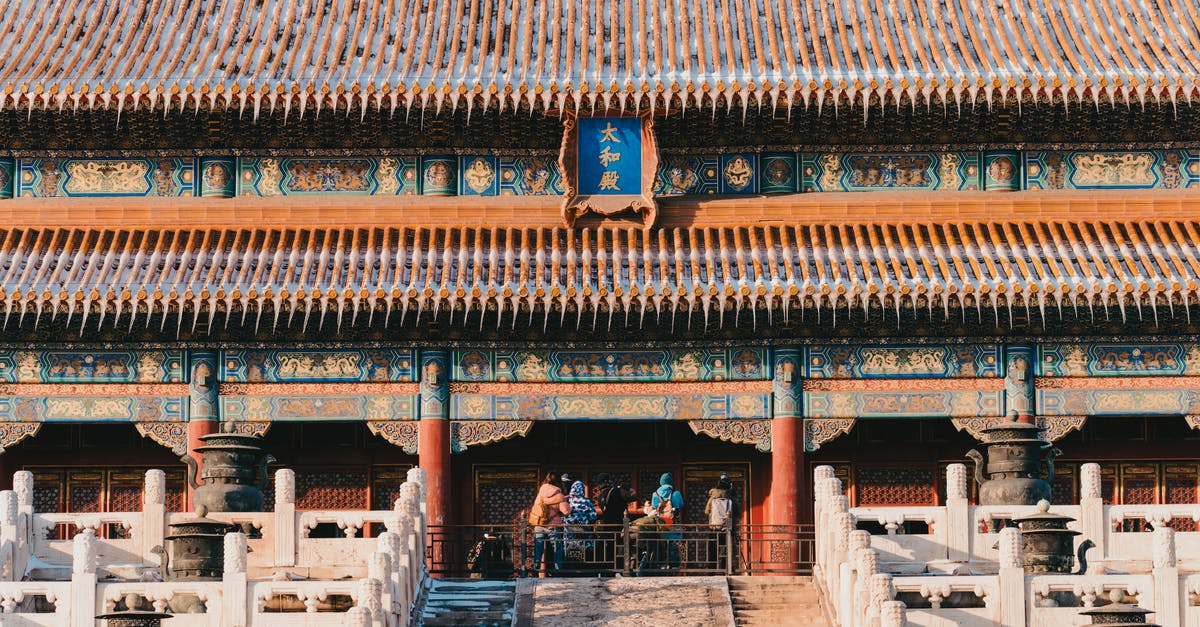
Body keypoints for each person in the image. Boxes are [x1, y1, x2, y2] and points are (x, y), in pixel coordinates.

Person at [529, 473, 568, 576]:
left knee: (539, 547)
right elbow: (566, 511)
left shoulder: (540, 492)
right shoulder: (559, 494)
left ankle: (536, 568)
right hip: (553, 526)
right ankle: (557, 570)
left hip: (539, 524)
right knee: (557, 548)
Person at [650, 472, 685, 571]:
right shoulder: (676, 493)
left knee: (661, 545)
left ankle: (661, 565)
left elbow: (654, 507)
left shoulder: (655, 494)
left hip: (661, 524)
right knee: (673, 545)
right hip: (673, 523)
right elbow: (681, 504)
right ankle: (674, 566)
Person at [562, 480, 599, 569]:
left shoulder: (567, 500)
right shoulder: (586, 502)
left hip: (569, 533)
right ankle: (582, 567)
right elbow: (593, 517)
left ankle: (571, 568)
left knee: (570, 550)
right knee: (584, 551)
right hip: (583, 533)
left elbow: (562, 516)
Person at [704, 473, 735, 570]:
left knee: (713, 550)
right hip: (727, 528)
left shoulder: (713, 497)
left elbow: (706, 511)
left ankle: (711, 571)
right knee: (727, 549)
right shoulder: (730, 497)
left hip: (714, 528)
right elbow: (737, 512)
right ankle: (725, 570)